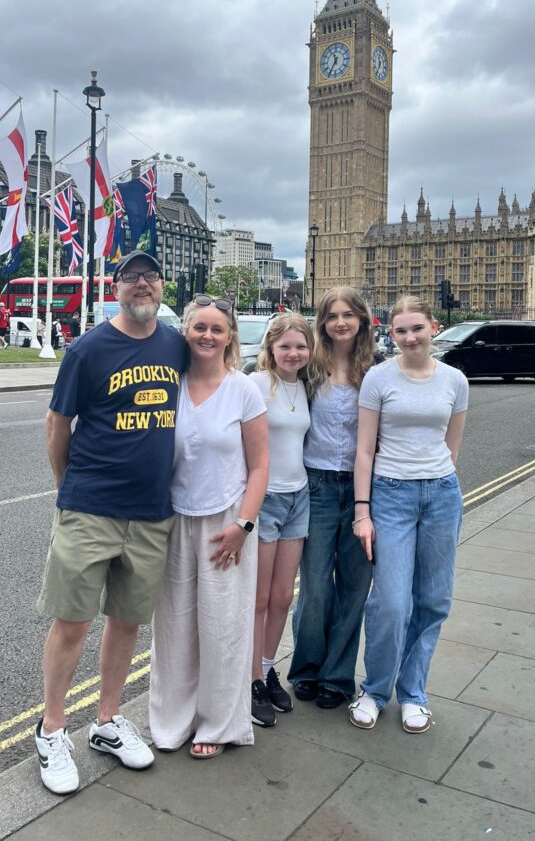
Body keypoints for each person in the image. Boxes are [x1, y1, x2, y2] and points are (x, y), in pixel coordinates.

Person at [35, 251, 187, 794]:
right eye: (132, 277)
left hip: (151, 511)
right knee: (72, 621)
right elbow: (58, 423)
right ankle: (52, 730)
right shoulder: (88, 349)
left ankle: (107, 721)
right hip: (91, 506)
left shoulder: (176, 345)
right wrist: (68, 489)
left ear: (162, 287)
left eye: (151, 276)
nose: (142, 285)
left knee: (126, 621)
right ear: (116, 287)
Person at [149, 295, 269, 759]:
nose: (208, 335)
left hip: (227, 522)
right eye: (199, 327)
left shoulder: (243, 390)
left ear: (229, 336)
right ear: (185, 332)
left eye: (217, 329)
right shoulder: (169, 385)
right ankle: (172, 721)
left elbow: (260, 466)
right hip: (175, 518)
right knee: (174, 627)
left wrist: (243, 525)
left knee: (223, 628)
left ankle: (219, 725)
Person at [350, 294, 468, 734]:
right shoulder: (378, 378)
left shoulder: (455, 380)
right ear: (391, 333)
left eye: (417, 328)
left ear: (433, 327)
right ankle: (375, 690)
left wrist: (436, 478)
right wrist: (362, 510)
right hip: (391, 494)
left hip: (441, 494)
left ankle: (414, 692)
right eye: (400, 330)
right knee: (391, 601)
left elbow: (452, 446)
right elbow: (365, 450)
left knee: (434, 599)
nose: (409, 337)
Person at [288, 287, 379, 709]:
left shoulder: (376, 370)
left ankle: (338, 677)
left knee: (354, 587)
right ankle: (307, 667)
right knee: (315, 587)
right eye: (331, 316)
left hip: (365, 490)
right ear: (322, 323)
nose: (340, 322)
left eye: (348, 315)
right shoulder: (310, 369)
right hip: (317, 485)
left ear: (361, 319)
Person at [249, 313, 314, 728]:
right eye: (286, 346)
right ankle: (251, 679)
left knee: (282, 597)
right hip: (266, 499)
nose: (293, 353)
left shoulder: (307, 386)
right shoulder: (256, 385)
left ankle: (267, 667)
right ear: (271, 348)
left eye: (301, 346)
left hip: (298, 498)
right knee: (257, 599)